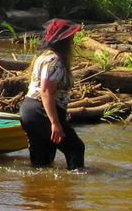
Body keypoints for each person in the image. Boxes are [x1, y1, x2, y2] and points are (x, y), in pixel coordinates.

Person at [19, 19, 86, 170]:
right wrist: (55, 123)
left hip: (31, 111)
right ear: (63, 40)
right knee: (75, 148)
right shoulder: (54, 60)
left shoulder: (43, 56)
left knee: (42, 163)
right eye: (71, 38)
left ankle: (39, 191)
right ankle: (75, 187)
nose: (73, 42)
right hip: (41, 112)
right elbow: (46, 91)